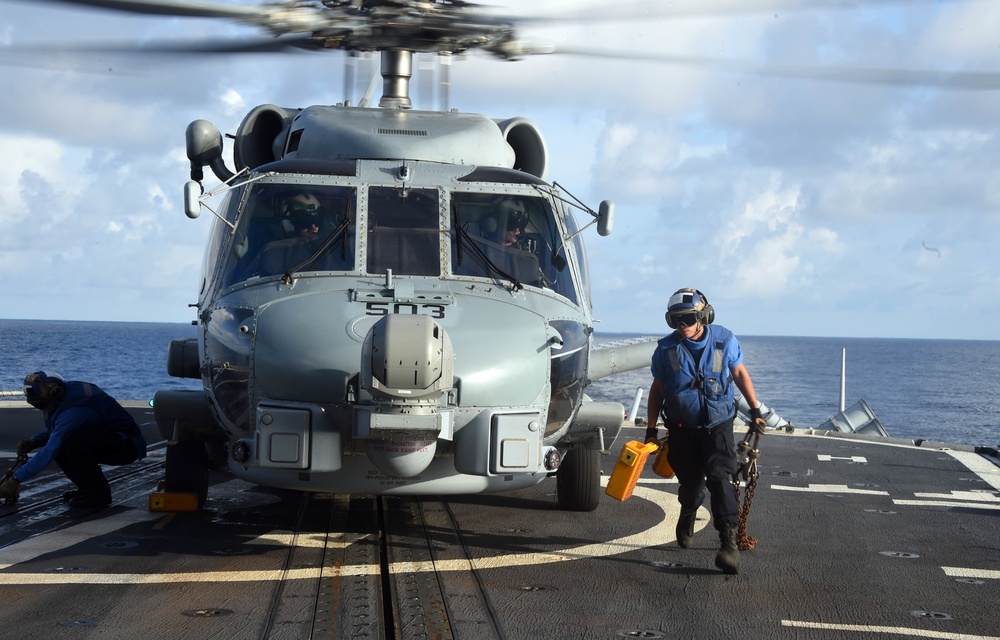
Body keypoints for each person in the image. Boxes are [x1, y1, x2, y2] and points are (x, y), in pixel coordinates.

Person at [645, 288, 767, 575]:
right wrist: (651, 429)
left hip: (717, 425)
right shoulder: (665, 350)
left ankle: (728, 545)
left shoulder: (725, 341)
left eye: (687, 319)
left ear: (704, 316)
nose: (681, 326)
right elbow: (657, 389)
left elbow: (738, 373)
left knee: (719, 478)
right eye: (675, 320)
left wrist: (756, 410)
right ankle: (688, 511)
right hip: (681, 429)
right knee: (691, 485)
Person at [0, 371, 148, 509]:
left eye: (41, 403)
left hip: (127, 445)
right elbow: (58, 426)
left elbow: (52, 446)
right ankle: (86, 488)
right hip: (110, 439)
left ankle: (98, 496)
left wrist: (16, 479)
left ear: (54, 393)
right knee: (67, 442)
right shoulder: (65, 395)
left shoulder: (76, 409)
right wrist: (35, 441)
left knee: (71, 443)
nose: (42, 408)